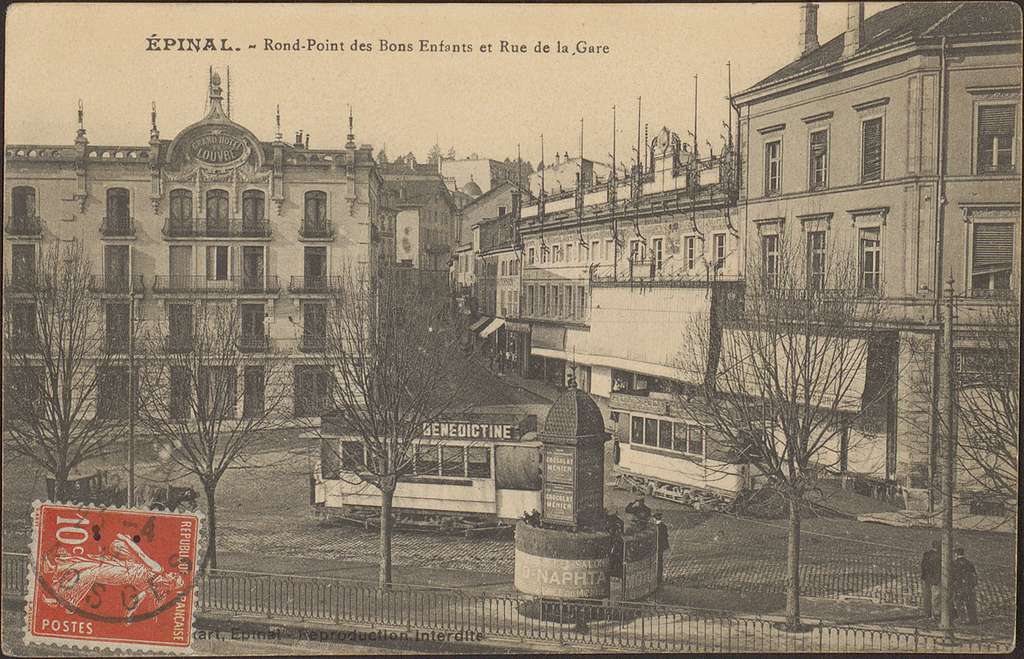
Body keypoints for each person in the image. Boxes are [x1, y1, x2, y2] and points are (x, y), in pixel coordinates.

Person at [952, 547, 978, 625]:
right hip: (968, 586)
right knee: (970, 602)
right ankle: (973, 619)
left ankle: (962, 619)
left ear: (956, 554)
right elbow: (974, 575)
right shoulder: (969, 563)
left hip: (959, 586)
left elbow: (953, 576)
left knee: (959, 602)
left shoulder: (954, 563)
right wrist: (973, 584)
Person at [920, 540, 941, 619]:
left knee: (927, 596)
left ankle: (927, 614)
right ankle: (935, 614)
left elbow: (923, 566)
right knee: (936, 597)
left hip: (927, 579)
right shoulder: (939, 556)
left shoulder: (926, 554)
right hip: (935, 580)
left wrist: (924, 576)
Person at [654, 513, 670, 586]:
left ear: (654, 519)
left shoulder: (655, 527)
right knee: (660, 561)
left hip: (657, 546)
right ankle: (659, 577)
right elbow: (666, 535)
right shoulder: (664, 526)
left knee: (657, 562)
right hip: (662, 547)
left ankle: (657, 578)